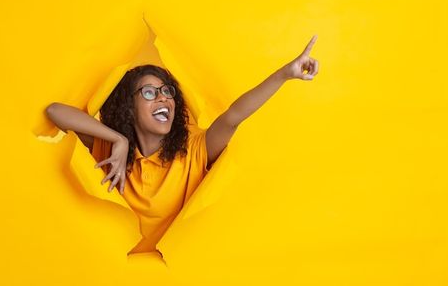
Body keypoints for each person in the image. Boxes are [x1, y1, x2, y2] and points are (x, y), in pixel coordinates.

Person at [46, 35, 319, 257]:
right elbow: (55, 111)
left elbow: (234, 116)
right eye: (150, 93)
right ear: (129, 107)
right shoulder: (108, 149)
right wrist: (119, 139)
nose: (163, 98)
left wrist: (285, 74)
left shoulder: (194, 149)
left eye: (168, 91)